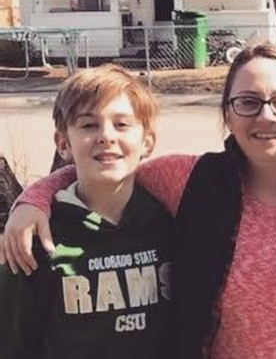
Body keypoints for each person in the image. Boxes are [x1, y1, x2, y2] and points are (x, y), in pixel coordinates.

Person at [0, 44, 276, 359]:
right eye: (247, 101)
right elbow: (109, 170)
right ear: (228, 114)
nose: (266, 116)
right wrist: (33, 200)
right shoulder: (190, 180)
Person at [0, 65, 172, 359]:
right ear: (63, 143)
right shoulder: (36, 237)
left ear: (147, 141)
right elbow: (14, 344)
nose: (106, 136)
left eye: (122, 124)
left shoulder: (171, 220)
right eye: (89, 125)